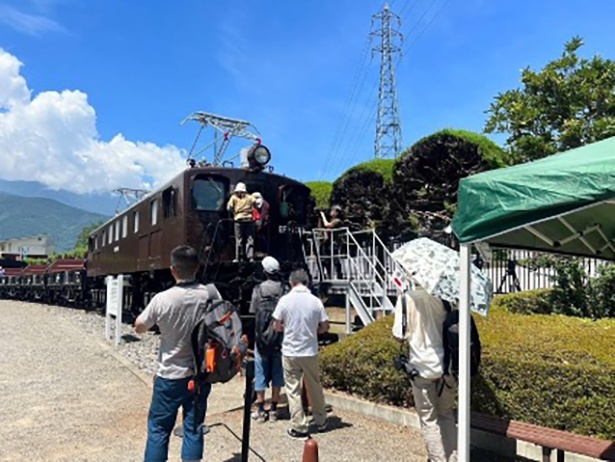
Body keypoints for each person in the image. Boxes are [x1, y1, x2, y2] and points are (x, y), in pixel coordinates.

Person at [134, 245, 221, 462]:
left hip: (169, 376)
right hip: (199, 375)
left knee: (159, 430)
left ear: (173, 269)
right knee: (193, 428)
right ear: (197, 268)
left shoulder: (162, 299)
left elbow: (140, 326)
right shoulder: (211, 293)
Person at [392, 287, 457, 462]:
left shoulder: (406, 299)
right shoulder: (444, 297)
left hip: (421, 368)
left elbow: (400, 335)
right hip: (446, 366)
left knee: (429, 419)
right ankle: (454, 458)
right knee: (446, 414)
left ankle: (438, 460)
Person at [273, 269, 329, 440]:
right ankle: (321, 420)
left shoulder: (284, 300)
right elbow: (325, 326)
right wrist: (315, 331)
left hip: (290, 350)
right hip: (310, 350)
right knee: (315, 386)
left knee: (293, 388)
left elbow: (276, 325)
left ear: (291, 283)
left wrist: (286, 328)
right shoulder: (316, 301)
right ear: (307, 282)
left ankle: (299, 425)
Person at [249, 256, 286, 423]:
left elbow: (253, 310)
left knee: (260, 371)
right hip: (279, 338)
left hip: (262, 338)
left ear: (264, 272)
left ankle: (260, 409)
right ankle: (274, 409)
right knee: (278, 372)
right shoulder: (284, 289)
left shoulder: (258, 289)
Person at [227, 182, 256, 262]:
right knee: (250, 239)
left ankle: (238, 257)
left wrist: (235, 212)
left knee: (239, 239)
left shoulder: (234, 198)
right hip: (249, 219)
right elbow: (256, 203)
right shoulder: (250, 197)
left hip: (238, 219)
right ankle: (250, 257)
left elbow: (229, 208)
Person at [319, 205, 344, 280]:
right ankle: (328, 275)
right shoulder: (330, 219)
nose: (331, 212)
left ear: (337, 212)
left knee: (335, 259)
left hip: (334, 242)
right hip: (328, 242)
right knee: (326, 260)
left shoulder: (337, 221)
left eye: (333, 210)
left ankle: (339, 275)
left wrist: (323, 215)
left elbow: (327, 225)